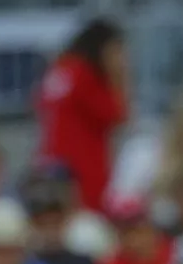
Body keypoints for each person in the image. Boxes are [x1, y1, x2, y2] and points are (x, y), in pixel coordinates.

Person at [35, 19, 128, 211]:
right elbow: (116, 114)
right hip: (83, 166)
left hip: (52, 159)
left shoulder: (61, 68)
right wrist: (118, 78)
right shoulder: (86, 76)